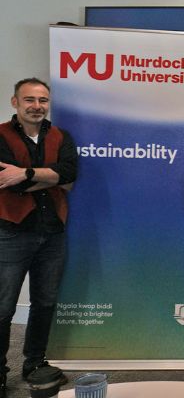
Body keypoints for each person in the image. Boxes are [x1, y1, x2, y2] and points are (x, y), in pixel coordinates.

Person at [0, 78, 77, 397]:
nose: (37, 106)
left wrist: (27, 173)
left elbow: (70, 174)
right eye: (29, 100)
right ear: (15, 102)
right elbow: (8, 183)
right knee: (3, 308)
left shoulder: (60, 136)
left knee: (44, 303)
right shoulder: (1, 135)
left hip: (52, 232)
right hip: (11, 233)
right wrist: (50, 177)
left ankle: (34, 363)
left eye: (43, 100)